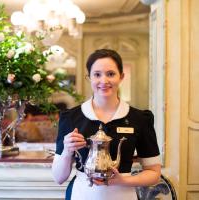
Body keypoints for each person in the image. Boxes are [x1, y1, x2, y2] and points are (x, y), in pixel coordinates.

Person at [51, 49, 161, 200]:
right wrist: (66, 151)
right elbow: (59, 178)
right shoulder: (71, 118)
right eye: (97, 74)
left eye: (110, 74)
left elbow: (154, 173)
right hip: (82, 195)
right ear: (88, 77)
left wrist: (123, 180)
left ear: (121, 76)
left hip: (123, 195)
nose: (104, 80)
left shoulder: (140, 119)